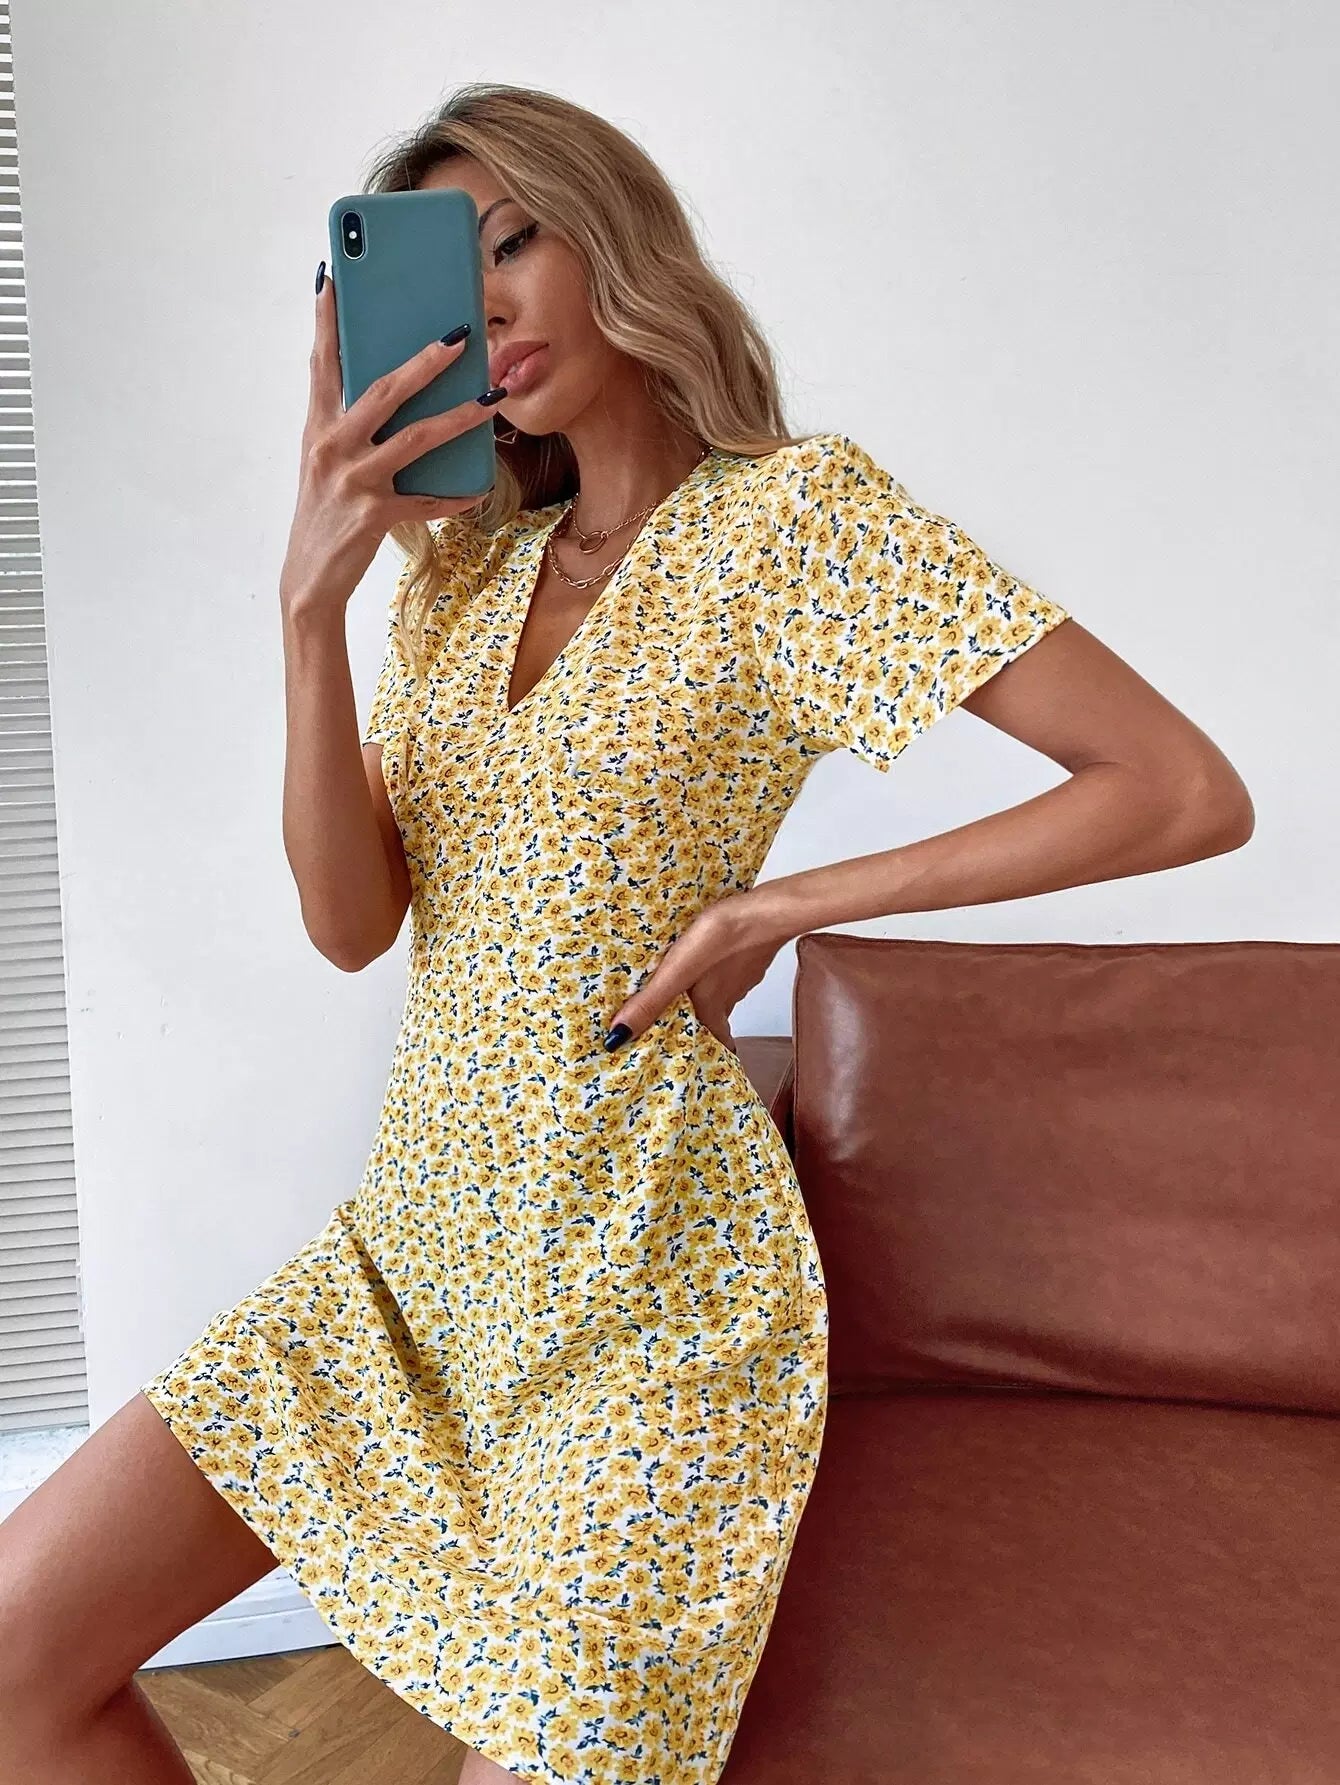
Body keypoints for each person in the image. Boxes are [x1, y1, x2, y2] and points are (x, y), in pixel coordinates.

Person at [0, 81, 1254, 1785]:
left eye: (517, 239)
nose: (488, 301)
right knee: (17, 1652)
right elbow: (352, 927)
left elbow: (1177, 788)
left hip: (648, 1294)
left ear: (618, 237)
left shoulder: (793, 525)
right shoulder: (457, 578)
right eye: (450, 268)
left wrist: (787, 901)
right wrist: (311, 603)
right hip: (417, 1263)